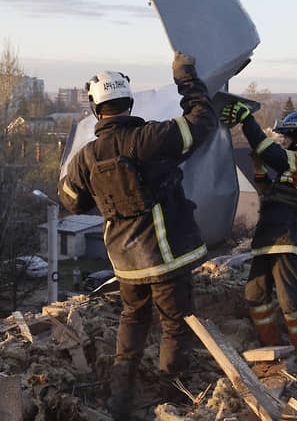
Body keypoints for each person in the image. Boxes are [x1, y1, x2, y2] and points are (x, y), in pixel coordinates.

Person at [58, 52, 217, 419]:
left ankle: (120, 403)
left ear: (97, 111)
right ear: (129, 102)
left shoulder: (85, 158)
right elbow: (202, 122)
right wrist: (186, 77)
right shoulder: (154, 137)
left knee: (133, 321)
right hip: (168, 258)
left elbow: (71, 202)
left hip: (126, 265)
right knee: (175, 327)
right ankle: (172, 402)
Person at [220, 104, 297, 357]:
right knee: (255, 293)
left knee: (290, 298)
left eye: (286, 136)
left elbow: (270, 152)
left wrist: (247, 121)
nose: (284, 141)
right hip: (269, 238)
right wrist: (258, 169)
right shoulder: (293, 167)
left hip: (287, 238)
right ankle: (269, 347)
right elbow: (271, 193)